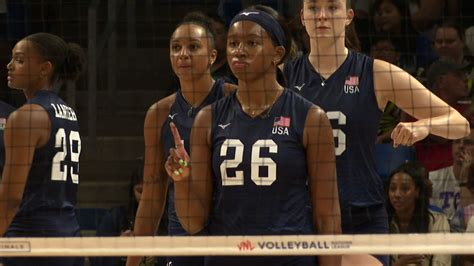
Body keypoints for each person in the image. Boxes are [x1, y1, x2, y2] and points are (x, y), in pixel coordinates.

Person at [283, 0, 470, 264]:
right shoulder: (285, 76)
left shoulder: (375, 73)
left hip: (361, 214)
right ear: (302, 16)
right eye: (313, 8)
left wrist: (423, 126)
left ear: (348, 16)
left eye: (332, 8)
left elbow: (458, 123)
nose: (322, 16)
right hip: (302, 216)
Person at [166, 5, 341, 266]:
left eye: (252, 43)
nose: (239, 50)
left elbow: (327, 216)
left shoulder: (311, 117)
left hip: (288, 258)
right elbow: (194, 223)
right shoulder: (208, 119)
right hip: (227, 257)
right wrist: (181, 181)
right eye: (234, 43)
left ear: (277, 54)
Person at [126, 11, 235, 266]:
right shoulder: (159, 113)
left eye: (193, 47)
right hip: (183, 236)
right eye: (176, 48)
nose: (183, 54)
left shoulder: (235, 98)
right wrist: (132, 261)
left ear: (212, 56)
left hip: (230, 231)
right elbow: (153, 195)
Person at [0, 32, 85, 266]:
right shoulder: (69, 112)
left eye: (19, 60)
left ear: (44, 68)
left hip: (30, 239)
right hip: (70, 235)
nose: (9, 65)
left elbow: (10, 198)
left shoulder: (25, 117)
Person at [387, 162, 451, 266]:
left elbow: (442, 262)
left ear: (417, 191)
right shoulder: (383, 224)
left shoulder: (438, 221)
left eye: (405, 189)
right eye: (393, 189)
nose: (397, 194)